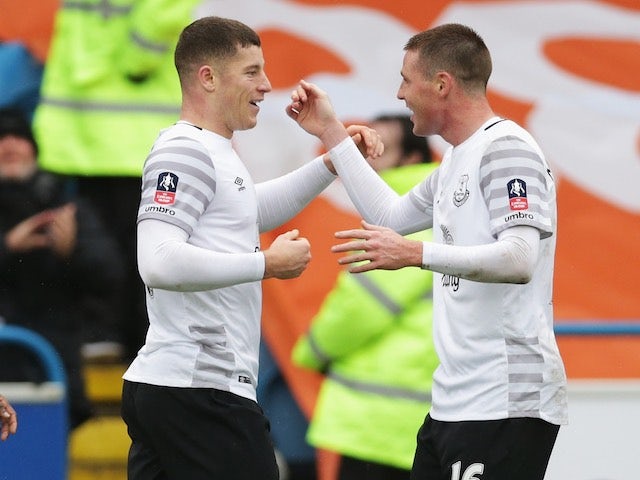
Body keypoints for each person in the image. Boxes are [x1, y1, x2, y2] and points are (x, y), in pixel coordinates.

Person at [287, 22, 567, 480]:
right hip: (452, 403)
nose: (399, 94)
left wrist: (418, 255)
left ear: (442, 85)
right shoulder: (458, 158)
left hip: (505, 399)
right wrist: (332, 133)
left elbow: (519, 258)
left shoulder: (508, 149)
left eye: (405, 80)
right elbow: (391, 217)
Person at [119, 16, 382, 480]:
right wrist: (266, 264)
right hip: (200, 391)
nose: (267, 85)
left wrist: (331, 162)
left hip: (180, 387)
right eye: (252, 72)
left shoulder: (214, 149)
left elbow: (249, 211)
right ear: (208, 77)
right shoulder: (185, 150)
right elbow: (156, 261)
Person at [32, 0, 201, 361]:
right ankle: (118, 337)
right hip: (91, 138)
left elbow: (166, 11)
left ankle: (134, 341)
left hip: (124, 140)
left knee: (134, 248)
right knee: (110, 247)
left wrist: (137, 61)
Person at [293, 114, 438, 480]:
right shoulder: (441, 211)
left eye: (378, 148)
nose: (365, 159)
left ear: (410, 160)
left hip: (380, 422)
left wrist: (313, 351)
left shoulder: (404, 219)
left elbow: (360, 308)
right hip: (414, 416)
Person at [0, 108, 126, 429]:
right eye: (1, 139)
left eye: (18, 138)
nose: (9, 146)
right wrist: (8, 246)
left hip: (55, 372)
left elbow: (112, 278)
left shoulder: (67, 209)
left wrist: (72, 253)